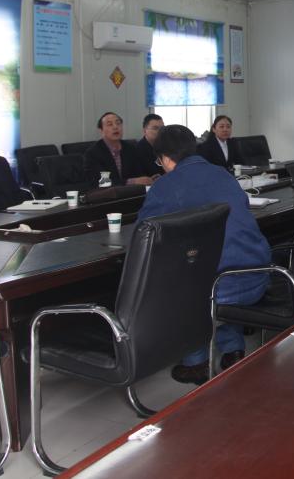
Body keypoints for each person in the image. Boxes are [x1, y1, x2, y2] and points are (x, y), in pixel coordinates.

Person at [137, 125, 271, 385]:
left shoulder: (166, 185)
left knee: (184, 274)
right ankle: (233, 350)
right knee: (217, 262)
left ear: (165, 158)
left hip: (219, 289)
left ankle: (196, 362)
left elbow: (144, 233)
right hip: (258, 276)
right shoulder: (222, 174)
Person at [82, 112, 154, 188]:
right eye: (110, 124)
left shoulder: (130, 148)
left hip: (133, 192)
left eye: (118, 123)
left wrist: (148, 179)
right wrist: (131, 181)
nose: (115, 127)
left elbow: (139, 173)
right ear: (101, 130)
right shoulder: (93, 153)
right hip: (107, 194)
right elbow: (100, 182)